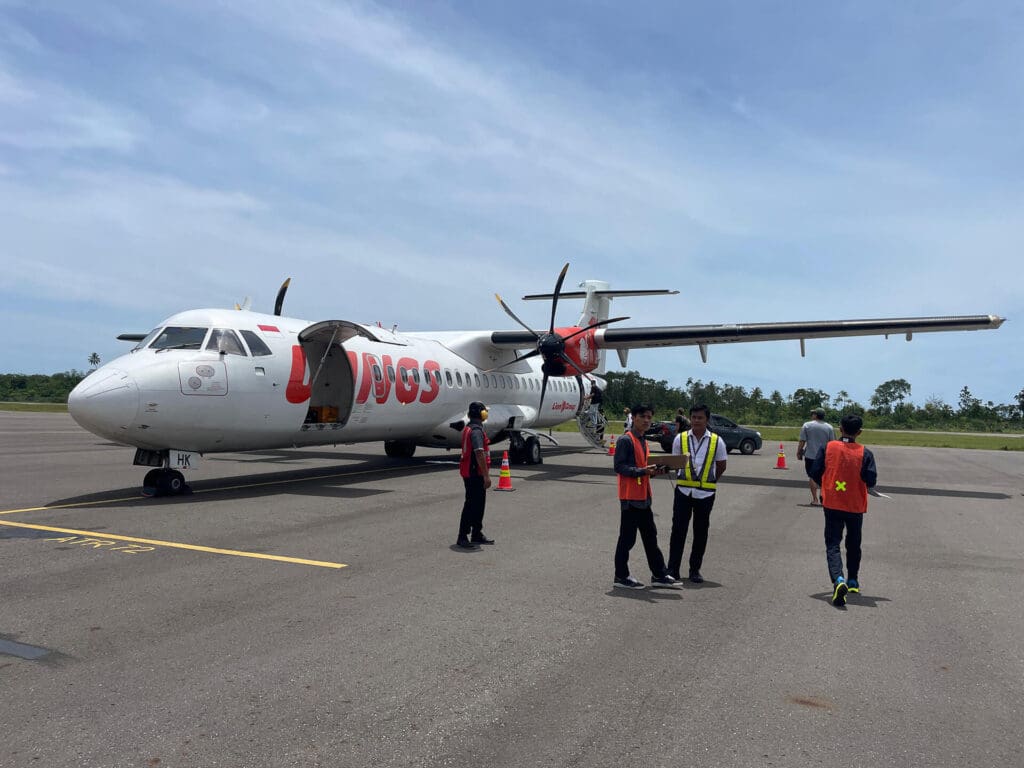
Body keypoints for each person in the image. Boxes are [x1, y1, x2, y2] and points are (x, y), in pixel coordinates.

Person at [810, 413, 878, 607]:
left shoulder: (828, 447)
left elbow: (815, 472)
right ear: (859, 432)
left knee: (833, 543)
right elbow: (871, 480)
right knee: (854, 542)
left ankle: (838, 579)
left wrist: (828, 481)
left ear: (840, 429)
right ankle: (853, 580)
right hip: (855, 505)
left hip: (832, 502)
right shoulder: (865, 453)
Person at [612, 403, 677, 589]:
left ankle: (659, 574)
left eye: (649, 417)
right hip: (630, 499)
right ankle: (621, 576)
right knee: (627, 539)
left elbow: (643, 467)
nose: (647, 420)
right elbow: (619, 467)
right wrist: (643, 471)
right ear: (633, 418)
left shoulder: (642, 440)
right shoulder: (626, 440)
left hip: (644, 498)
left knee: (650, 538)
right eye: (643, 416)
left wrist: (655, 471)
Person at [667, 404, 727, 584]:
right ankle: (673, 569)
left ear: (707, 420)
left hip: (705, 494)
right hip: (683, 491)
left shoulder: (717, 441)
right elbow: (675, 462)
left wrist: (709, 481)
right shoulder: (680, 438)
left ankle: (695, 569)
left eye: (700, 418)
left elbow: (721, 465)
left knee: (700, 532)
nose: (696, 421)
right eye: (693, 417)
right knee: (678, 531)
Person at [456, 401, 494, 549]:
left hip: (471, 471)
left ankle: (476, 533)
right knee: (471, 504)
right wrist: (486, 476)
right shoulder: (476, 431)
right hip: (474, 473)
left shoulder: (470, 428)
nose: (486, 414)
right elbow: (479, 453)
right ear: (481, 414)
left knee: (479, 504)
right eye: (484, 411)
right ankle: (462, 536)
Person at [797, 407, 836, 506]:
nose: (812, 415)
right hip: (824, 457)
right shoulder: (829, 427)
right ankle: (823, 496)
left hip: (810, 455)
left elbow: (802, 441)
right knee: (823, 477)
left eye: (813, 414)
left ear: (815, 415)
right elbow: (833, 443)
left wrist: (799, 452)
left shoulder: (807, 425)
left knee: (812, 476)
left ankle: (815, 499)